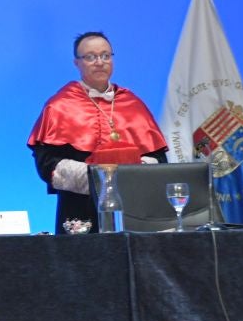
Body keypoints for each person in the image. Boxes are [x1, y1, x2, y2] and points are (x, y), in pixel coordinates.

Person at [28, 31, 166, 231]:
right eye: (90, 57)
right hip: (80, 212)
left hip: (136, 212)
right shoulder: (59, 106)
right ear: (77, 63)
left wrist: (129, 176)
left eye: (105, 55)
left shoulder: (134, 104)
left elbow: (159, 159)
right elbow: (46, 165)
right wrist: (101, 178)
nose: (99, 62)